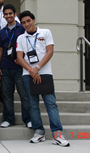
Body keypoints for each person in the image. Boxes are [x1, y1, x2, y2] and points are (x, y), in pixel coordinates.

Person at [16, 10, 70, 147]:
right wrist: (31, 70)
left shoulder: (45, 32)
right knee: (33, 105)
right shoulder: (21, 38)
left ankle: (57, 134)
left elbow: (50, 52)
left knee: (51, 104)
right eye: (23, 23)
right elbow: (19, 57)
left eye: (28, 21)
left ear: (33, 20)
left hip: (45, 73)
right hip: (28, 75)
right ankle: (39, 132)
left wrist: (37, 68)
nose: (26, 24)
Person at [0, 4, 31, 128]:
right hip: (5, 67)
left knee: (24, 94)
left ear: (15, 14)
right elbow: (0, 50)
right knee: (7, 95)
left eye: (10, 13)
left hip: (19, 67)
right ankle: (9, 118)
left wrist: (23, 60)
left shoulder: (22, 28)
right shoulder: (2, 32)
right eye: (6, 14)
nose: (8, 16)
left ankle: (27, 119)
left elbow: (28, 44)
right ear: (4, 16)